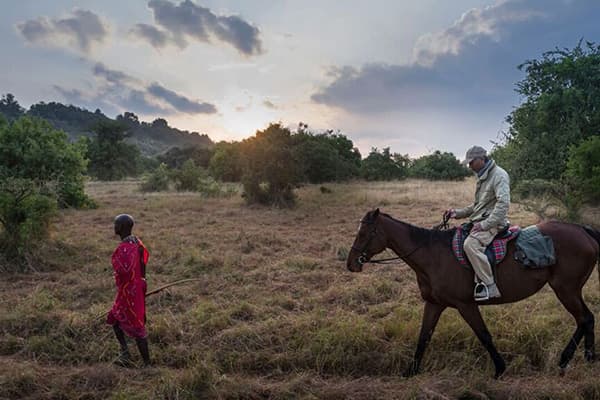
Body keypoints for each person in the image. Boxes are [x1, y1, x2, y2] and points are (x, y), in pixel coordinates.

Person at [445, 146, 510, 301]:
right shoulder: (483, 176)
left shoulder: (499, 175)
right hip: (481, 220)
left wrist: (486, 224)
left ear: (482, 159)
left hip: (494, 222)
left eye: (471, 162)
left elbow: (503, 204)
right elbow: (477, 206)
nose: (469, 166)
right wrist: (457, 213)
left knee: (470, 245)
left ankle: (490, 286)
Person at [106, 214, 151, 367]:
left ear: (122, 227)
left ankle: (147, 364)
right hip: (133, 289)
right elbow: (143, 262)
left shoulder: (125, 248)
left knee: (137, 327)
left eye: (116, 224)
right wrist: (143, 281)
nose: (114, 227)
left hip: (129, 293)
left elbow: (123, 272)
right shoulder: (137, 242)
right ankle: (125, 353)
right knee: (116, 320)